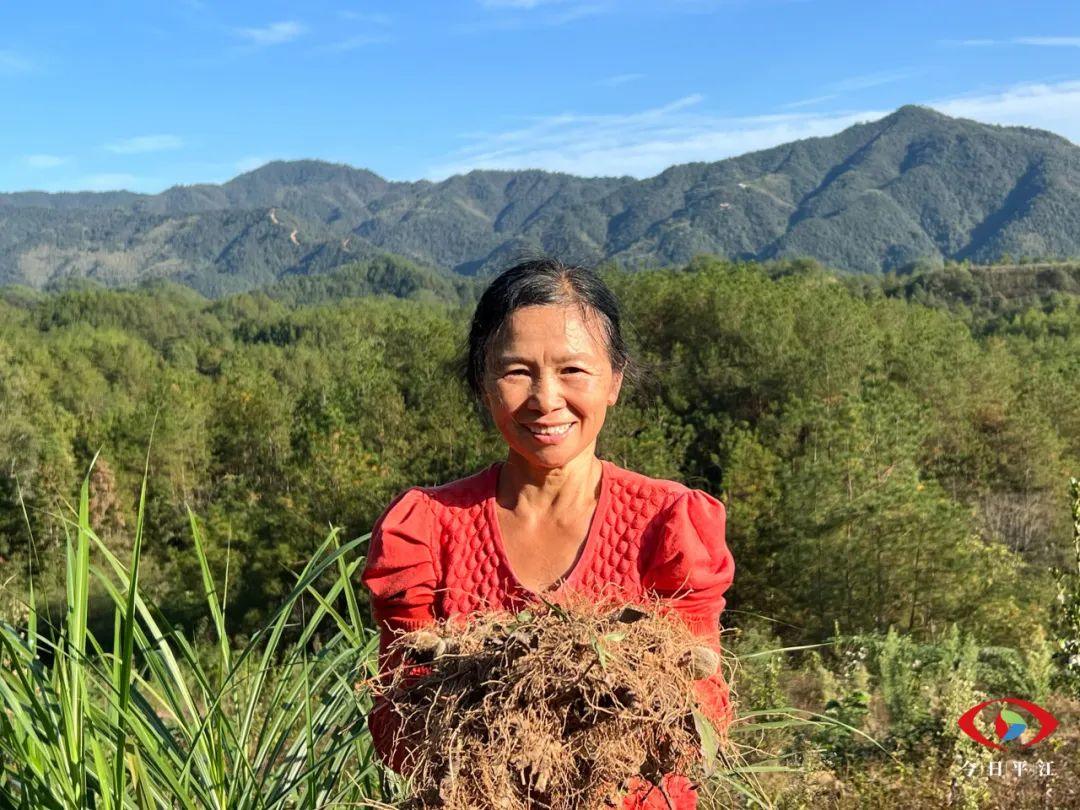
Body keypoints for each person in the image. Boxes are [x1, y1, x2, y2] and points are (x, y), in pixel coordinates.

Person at [360, 257, 735, 809]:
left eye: (573, 371)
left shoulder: (668, 523)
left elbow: (701, 716)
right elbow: (399, 727)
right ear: (482, 385)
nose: (545, 399)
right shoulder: (427, 530)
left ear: (615, 381)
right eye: (517, 372)